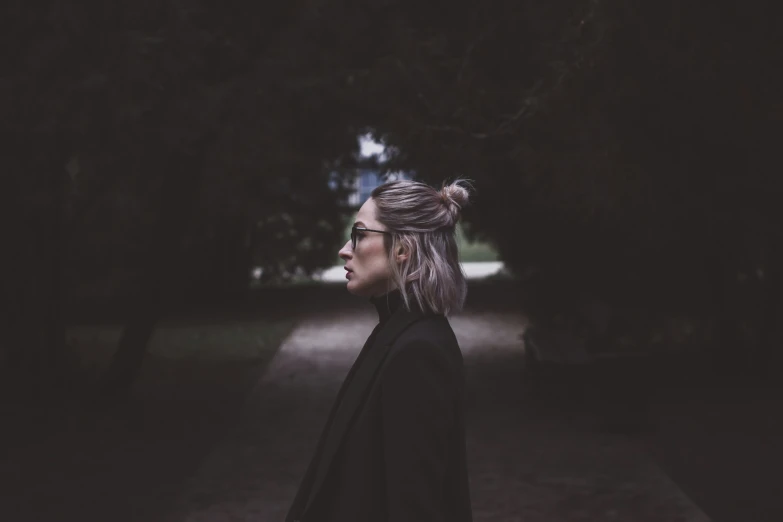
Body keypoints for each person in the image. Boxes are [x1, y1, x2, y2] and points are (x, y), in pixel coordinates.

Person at [285, 179, 474, 522]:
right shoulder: (397, 333)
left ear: (402, 248)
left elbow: (415, 508)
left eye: (359, 234)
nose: (345, 249)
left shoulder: (418, 351)